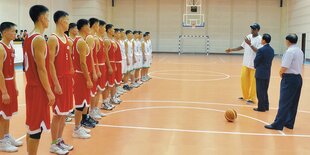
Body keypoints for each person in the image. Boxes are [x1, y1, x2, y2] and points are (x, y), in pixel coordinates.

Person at [23, 5, 55, 155]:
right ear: (41, 17)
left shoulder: (29, 37)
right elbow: (41, 69)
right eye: (47, 17)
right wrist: (49, 92)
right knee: (36, 130)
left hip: (31, 86)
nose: (48, 20)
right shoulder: (39, 40)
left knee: (32, 127)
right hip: (38, 89)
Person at [48, 10, 74, 154]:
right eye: (66, 20)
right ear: (59, 21)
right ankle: (53, 143)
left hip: (67, 80)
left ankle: (59, 140)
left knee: (64, 113)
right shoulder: (53, 39)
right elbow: (50, 63)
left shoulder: (66, 38)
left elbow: (69, 61)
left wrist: (72, 78)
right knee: (58, 114)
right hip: (59, 81)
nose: (68, 23)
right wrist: (56, 83)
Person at [265, 34, 304, 130]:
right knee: (293, 102)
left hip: (289, 78)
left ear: (288, 41)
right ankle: (289, 122)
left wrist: (280, 73)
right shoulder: (300, 51)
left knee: (284, 102)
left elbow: (284, 67)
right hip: (298, 78)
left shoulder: (289, 51)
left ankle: (278, 124)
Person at [225, 23, 262, 104]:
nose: (252, 30)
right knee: (243, 80)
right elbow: (242, 46)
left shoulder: (260, 39)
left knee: (253, 83)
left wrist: (250, 44)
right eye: (251, 28)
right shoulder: (248, 36)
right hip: (245, 63)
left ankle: (252, 99)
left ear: (258, 30)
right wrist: (231, 49)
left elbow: (258, 51)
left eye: (254, 29)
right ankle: (245, 96)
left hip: (254, 65)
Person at [0, 22, 23, 153]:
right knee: (2, 115)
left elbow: (12, 69)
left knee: (7, 114)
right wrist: (4, 92)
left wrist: (14, 87)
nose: (15, 33)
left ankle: (6, 136)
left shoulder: (11, 46)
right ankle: (2, 142)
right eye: (13, 31)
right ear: (4, 32)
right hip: (3, 84)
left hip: (10, 83)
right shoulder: (1, 48)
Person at [72, 19, 93, 138]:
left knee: (84, 103)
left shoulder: (78, 40)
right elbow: (83, 63)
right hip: (81, 76)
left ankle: (79, 126)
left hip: (81, 75)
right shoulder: (81, 42)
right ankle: (76, 129)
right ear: (84, 27)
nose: (89, 28)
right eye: (88, 26)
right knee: (80, 104)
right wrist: (88, 79)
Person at [253, 34, 274, 112]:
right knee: (265, 90)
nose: (261, 40)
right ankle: (266, 106)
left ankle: (261, 107)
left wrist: (256, 66)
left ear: (264, 40)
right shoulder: (272, 50)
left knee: (260, 91)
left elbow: (256, 61)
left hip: (260, 73)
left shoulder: (261, 50)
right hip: (267, 73)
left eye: (262, 39)